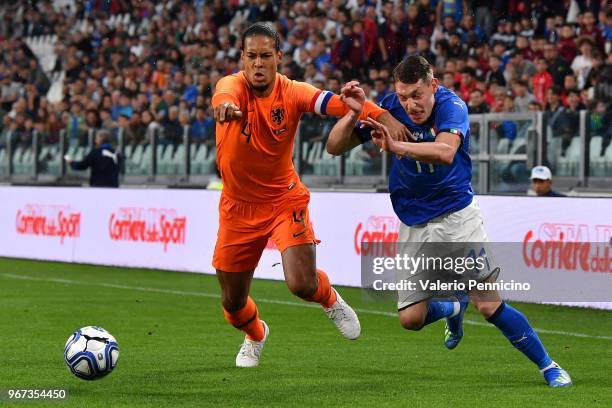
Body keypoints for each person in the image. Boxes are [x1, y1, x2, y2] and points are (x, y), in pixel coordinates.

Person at [326, 56, 572, 388]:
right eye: (402, 97)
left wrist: (396, 145)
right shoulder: (387, 109)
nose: (410, 105)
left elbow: (445, 151)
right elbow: (333, 147)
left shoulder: (452, 106)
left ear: (433, 86)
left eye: (416, 94)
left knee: (488, 305)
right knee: (410, 319)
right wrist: (357, 112)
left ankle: (549, 366)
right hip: (413, 223)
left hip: (457, 217)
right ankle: (454, 308)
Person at [211, 23, 408, 368]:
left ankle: (329, 299)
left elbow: (340, 103)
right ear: (242, 58)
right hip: (237, 208)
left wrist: (384, 115)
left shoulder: (294, 92)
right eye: (252, 56)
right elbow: (222, 96)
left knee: (301, 284)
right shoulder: (232, 86)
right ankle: (256, 334)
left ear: (279, 58)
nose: (258, 63)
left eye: (265, 56)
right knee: (232, 303)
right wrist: (225, 107)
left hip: (284, 201)